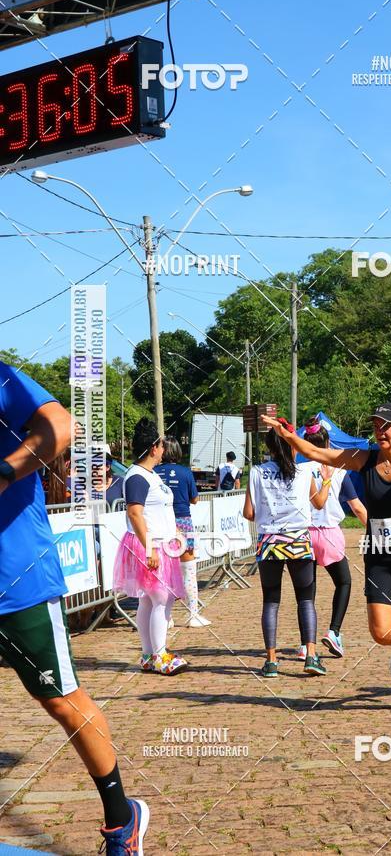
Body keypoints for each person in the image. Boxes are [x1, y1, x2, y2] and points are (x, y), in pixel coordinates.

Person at [0, 360, 148, 853]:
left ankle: (121, 818)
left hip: (16, 581)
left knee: (62, 701)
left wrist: (4, 472)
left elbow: (62, 426)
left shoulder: (3, 379)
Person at [262, 379, 391, 715]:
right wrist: (287, 435)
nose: (379, 431)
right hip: (379, 558)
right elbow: (318, 452)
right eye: (375, 426)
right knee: (381, 632)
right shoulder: (364, 459)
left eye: (385, 426)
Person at [242, 418, 329, 678]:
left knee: (271, 601)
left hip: (269, 543)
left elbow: (248, 512)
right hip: (298, 542)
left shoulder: (257, 472)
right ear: (293, 444)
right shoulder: (304, 474)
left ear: (269, 447)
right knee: (305, 599)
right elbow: (320, 504)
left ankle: (271, 661)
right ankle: (311, 656)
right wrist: (326, 481)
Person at [113, 418, 188, 674]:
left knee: (151, 599)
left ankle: (149, 654)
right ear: (154, 448)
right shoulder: (137, 476)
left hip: (160, 541)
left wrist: (174, 532)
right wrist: (149, 548)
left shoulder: (149, 474)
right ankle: (159, 654)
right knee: (161, 599)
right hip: (149, 543)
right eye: (161, 445)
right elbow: (135, 514)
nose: (164, 450)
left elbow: (159, 509)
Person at [295, 417, 367, 660]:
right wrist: (377, 529)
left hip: (303, 533)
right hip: (329, 534)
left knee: (307, 591)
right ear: (328, 442)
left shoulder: (298, 471)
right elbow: (357, 508)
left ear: (306, 444)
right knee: (344, 582)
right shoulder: (338, 471)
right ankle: (334, 631)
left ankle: (307, 643)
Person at [156, 436, 210, 628]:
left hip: (161, 523)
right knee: (189, 571)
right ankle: (192, 614)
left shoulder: (153, 472)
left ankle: (166, 618)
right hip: (183, 521)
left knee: (164, 573)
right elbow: (194, 499)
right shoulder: (185, 472)